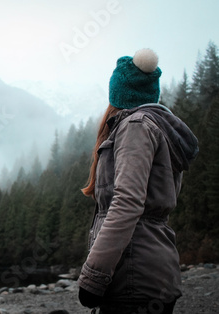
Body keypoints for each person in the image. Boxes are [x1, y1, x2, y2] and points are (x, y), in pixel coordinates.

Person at [77, 48, 199, 314]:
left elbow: (128, 202)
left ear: (119, 94)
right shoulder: (155, 128)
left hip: (134, 279)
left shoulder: (136, 127)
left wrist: (93, 277)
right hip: (152, 274)